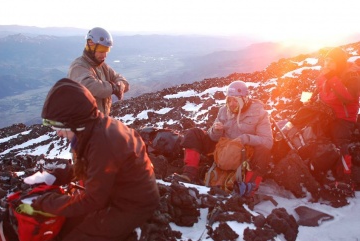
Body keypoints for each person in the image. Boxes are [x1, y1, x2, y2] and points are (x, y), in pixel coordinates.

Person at [28, 78, 159, 241]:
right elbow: (95, 168)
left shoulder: (102, 142)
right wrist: (61, 175)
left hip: (131, 207)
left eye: (59, 126)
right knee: (67, 224)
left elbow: (93, 200)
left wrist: (45, 203)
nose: (58, 133)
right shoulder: (95, 127)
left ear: (74, 121)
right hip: (124, 195)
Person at [175, 80, 273, 196]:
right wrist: (216, 130)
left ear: (244, 98)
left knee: (263, 151)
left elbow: (267, 141)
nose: (231, 104)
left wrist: (246, 138)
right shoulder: (223, 111)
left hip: (244, 155)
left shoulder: (260, 113)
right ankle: (189, 174)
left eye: (235, 100)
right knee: (194, 133)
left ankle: (248, 189)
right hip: (221, 150)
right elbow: (213, 137)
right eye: (229, 100)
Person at [310, 47, 360, 188]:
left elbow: (348, 97)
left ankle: (345, 177)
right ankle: (317, 166)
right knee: (313, 134)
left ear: (339, 62)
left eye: (331, 61)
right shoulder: (325, 75)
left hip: (344, 116)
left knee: (340, 143)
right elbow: (318, 92)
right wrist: (306, 100)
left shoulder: (351, 75)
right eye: (326, 60)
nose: (327, 63)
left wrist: (332, 78)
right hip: (327, 113)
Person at [68, 27, 129, 116]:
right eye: (101, 51)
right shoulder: (78, 67)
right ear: (90, 46)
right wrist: (113, 87)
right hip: (83, 126)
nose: (104, 55)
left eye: (106, 51)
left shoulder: (102, 67)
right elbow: (91, 86)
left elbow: (120, 79)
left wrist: (121, 84)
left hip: (99, 123)